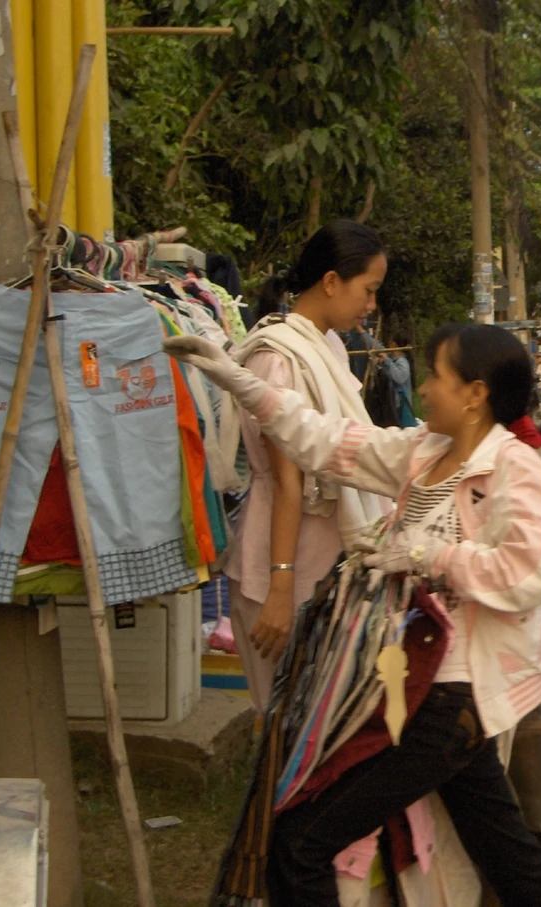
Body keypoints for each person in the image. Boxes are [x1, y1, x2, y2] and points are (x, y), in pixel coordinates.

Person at [165, 321, 541, 907]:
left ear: (475, 394)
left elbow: (527, 573)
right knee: (506, 852)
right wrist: (237, 381)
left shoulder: (516, 473)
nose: (425, 388)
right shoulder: (423, 452)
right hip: (419, 684)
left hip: (448, 696)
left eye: (436, 375)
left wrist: (424, 553)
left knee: (302, 841)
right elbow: (325, 441)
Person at [223, 220, 389, 712]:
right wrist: (280, 587)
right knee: (289, 726)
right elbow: (288, 482)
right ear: (332, 281)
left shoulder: (328, 347)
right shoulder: (279, 360)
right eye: (369, 290)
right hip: (285, 567)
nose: (371, 305)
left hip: (327, 561)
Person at [379, 329, 417, 427]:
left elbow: (399, 378)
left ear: (394, 344)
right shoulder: (393, 360)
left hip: (401, 407)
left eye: (391, 342)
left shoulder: (402, 362)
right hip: (394, 405)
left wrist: (387, 361)